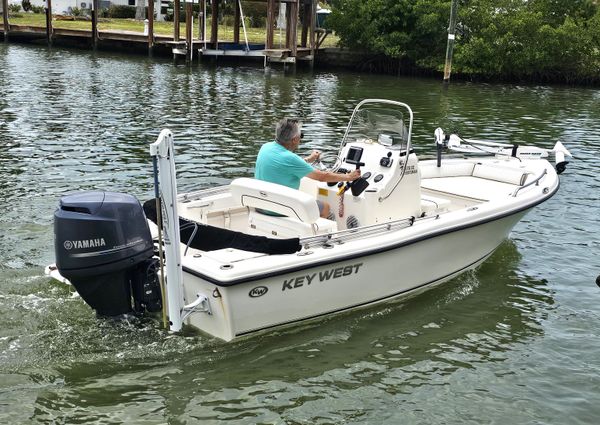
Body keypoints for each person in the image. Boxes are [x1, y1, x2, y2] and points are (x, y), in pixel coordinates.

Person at [255, 118, 360, 219]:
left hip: (262, 205)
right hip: (280, 209)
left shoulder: (265, 147)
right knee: (325, 208)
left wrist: (309, 159)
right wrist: (349, 176)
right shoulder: (290, 158)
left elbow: (285, 164)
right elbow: (322, 177)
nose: (300, 139)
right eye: (301, 135)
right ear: (294, 139)